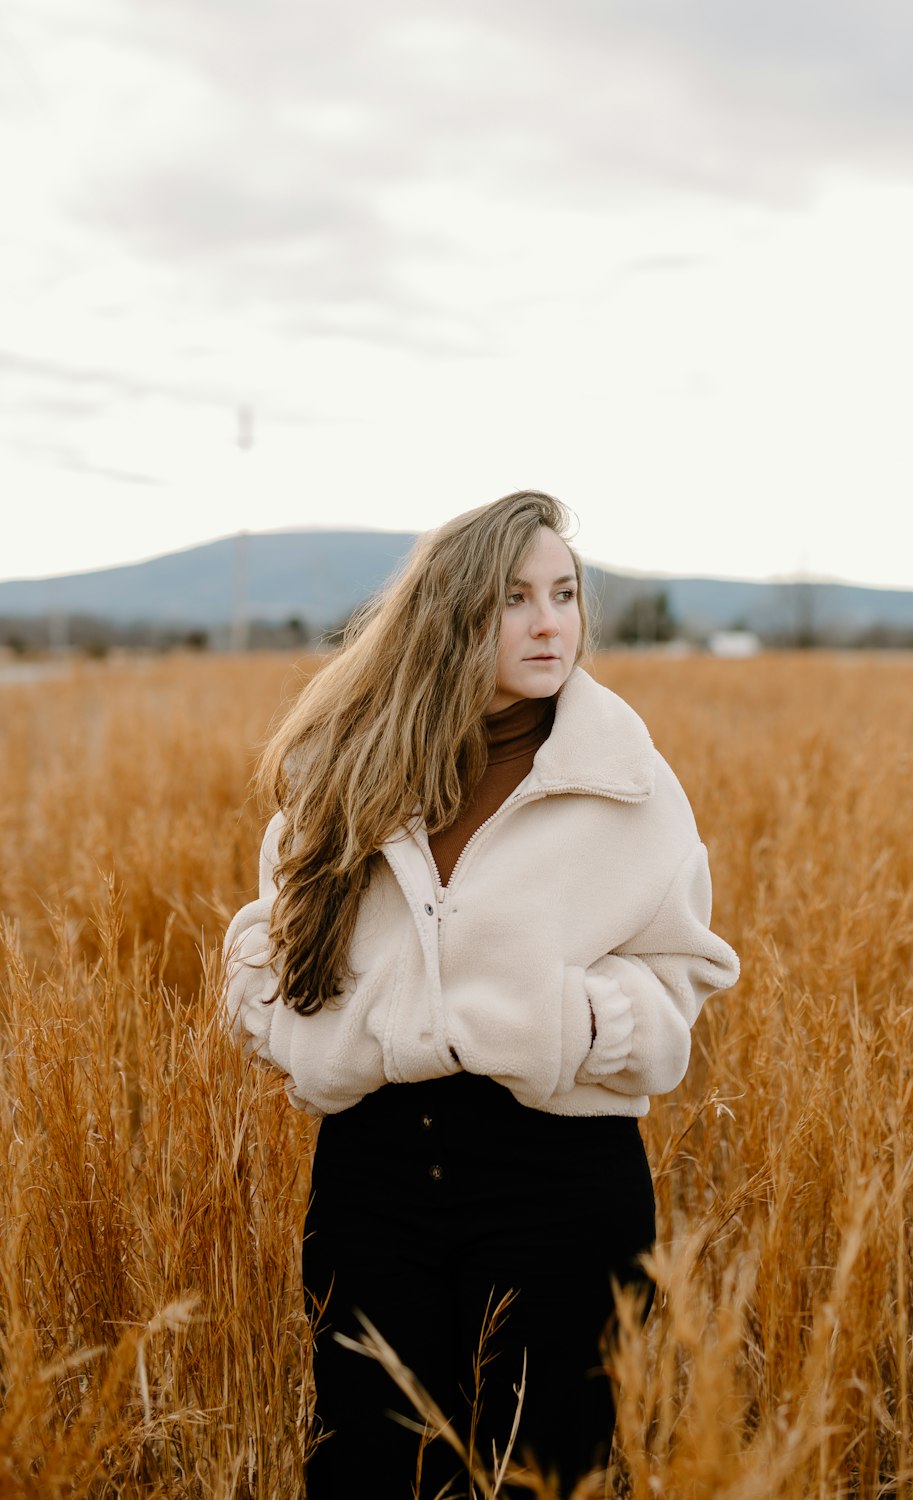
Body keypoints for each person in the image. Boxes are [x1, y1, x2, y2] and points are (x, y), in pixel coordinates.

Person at [223, 490, 740, 1497]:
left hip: (556, 1170)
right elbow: (266, 940)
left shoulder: (625, 783)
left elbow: (685, 972)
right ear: (452, 614)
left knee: (541, 1471)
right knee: (370, 1466)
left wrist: (579, 1024)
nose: (551, 623)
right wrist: (309, 1036)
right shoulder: (350, 770)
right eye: (515, 599)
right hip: (371, 1173)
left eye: (565, 593)